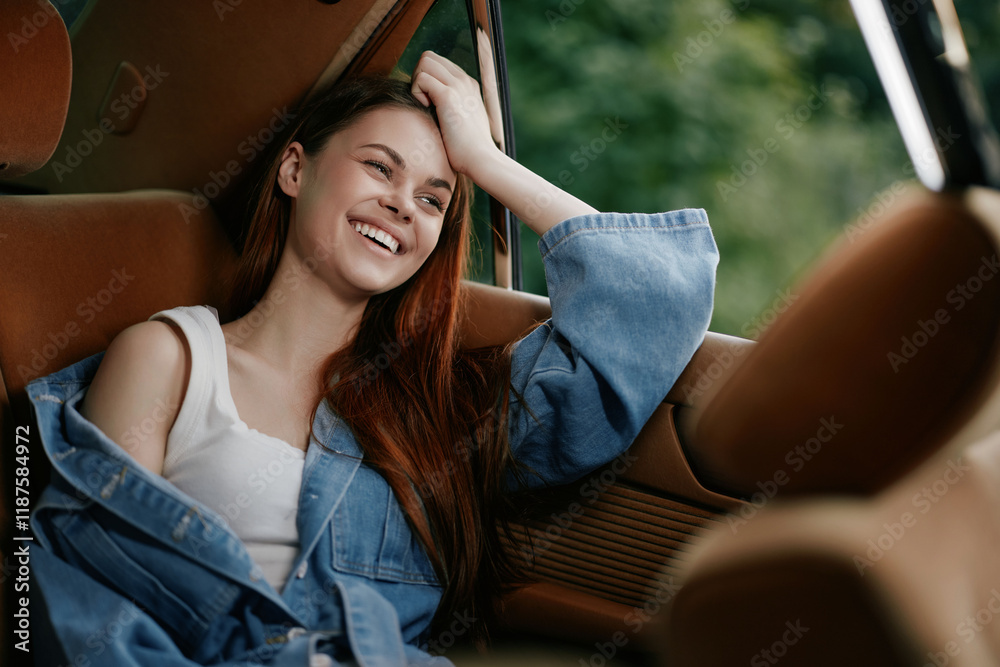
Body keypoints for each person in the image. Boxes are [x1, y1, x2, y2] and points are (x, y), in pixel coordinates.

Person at [26, 52, 719, 665]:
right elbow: (91, 599)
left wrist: (485, 161)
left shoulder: (441, 409)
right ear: (295, 169)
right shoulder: (169, 359)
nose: (400, 205)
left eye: (432, 200)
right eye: (379, 167)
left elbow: (653, 300)